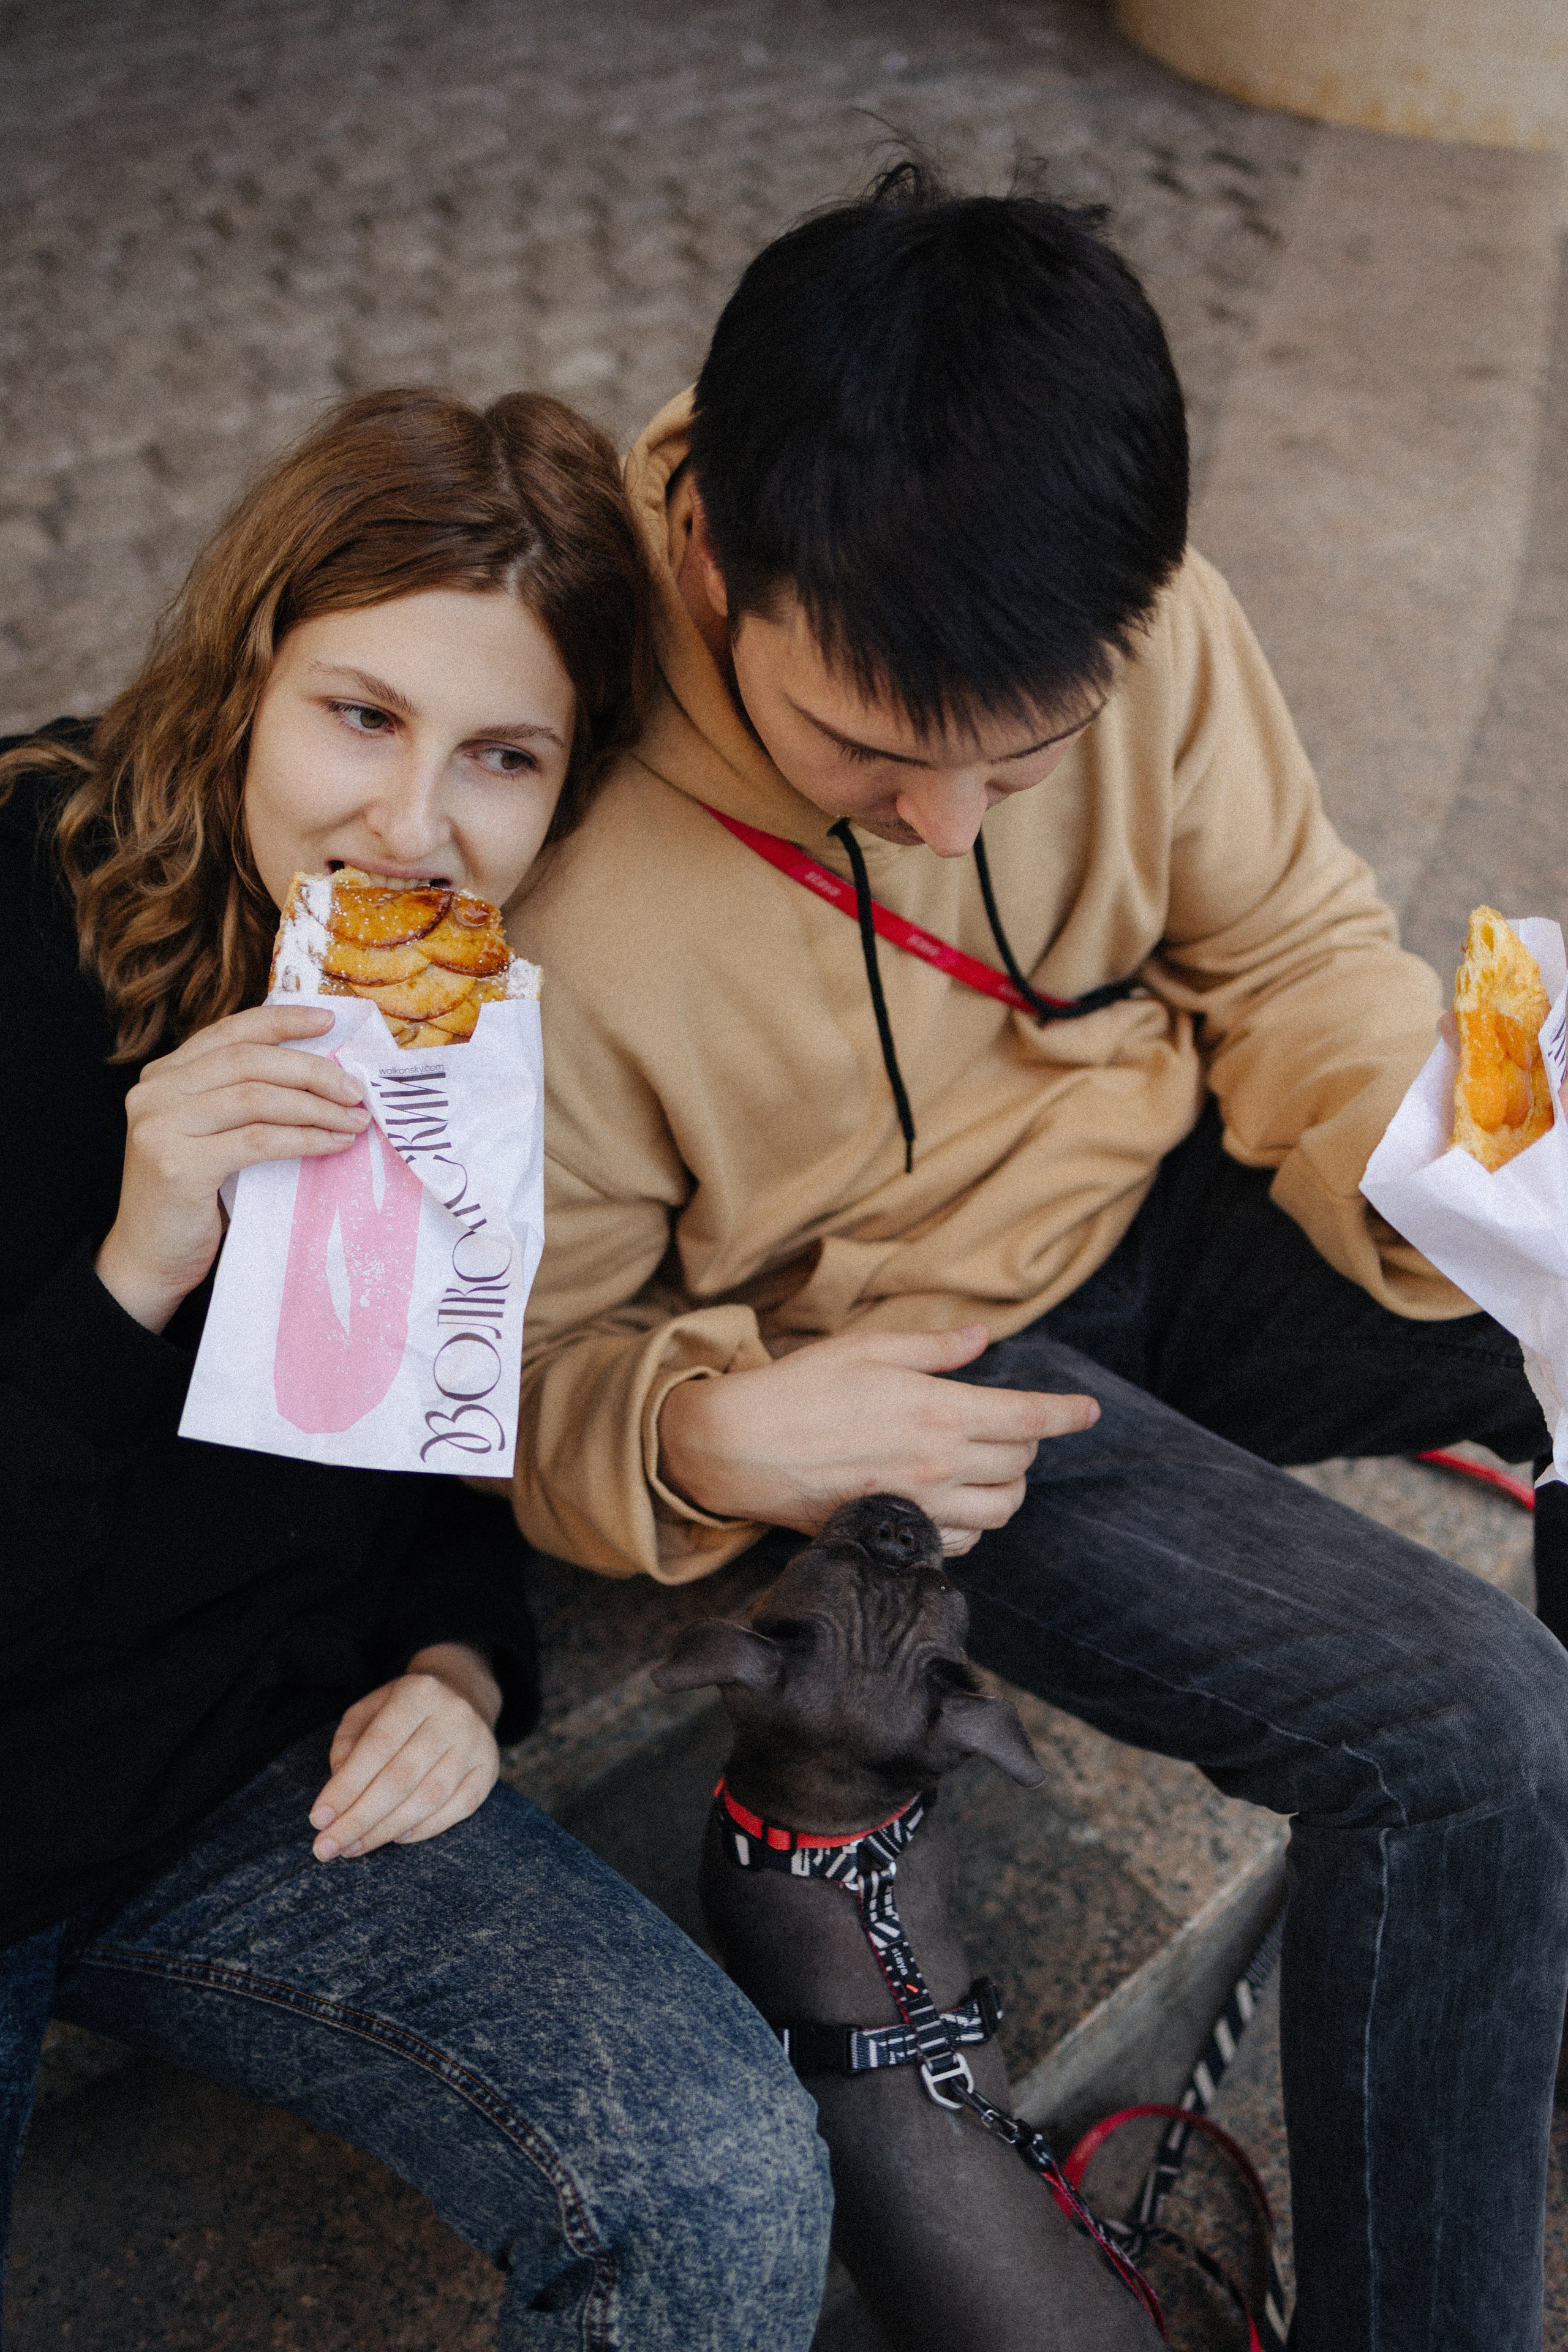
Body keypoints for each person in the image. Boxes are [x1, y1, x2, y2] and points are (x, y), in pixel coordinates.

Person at [507, 161, 1568, 2351]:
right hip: (917, 1388)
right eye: (873, 757)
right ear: (713, 557)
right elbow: (518, 1372)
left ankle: (1510, 1973)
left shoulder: (1140, 619)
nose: (955, 824)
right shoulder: (557, 854)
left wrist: (1434, 1160)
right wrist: (707, 1426)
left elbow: (1280, 942)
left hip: (1172, 1190)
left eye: (1030, 753)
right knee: (1470, 1730)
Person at [0, 389, 830, 2350]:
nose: (409, 822)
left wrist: (461, 1663)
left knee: (719, 2177)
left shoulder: (467, 1019)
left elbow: (403, 1458)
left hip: (250, 1784)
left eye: (502, 758)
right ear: (241, 675)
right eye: (359, 716)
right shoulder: (23, 915)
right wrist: (133, 1267)